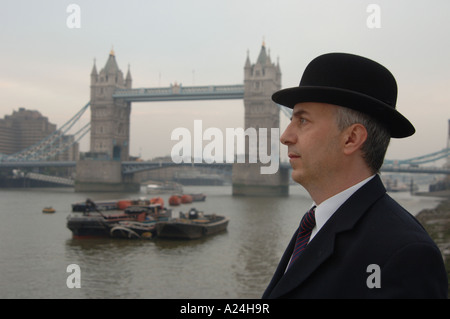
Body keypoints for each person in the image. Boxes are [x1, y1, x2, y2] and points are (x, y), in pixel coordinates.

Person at [262, 53, 448, 299]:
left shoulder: (405, 255)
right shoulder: (315, 224)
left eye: (303, 120)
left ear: (351, 139)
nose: (285, 136)